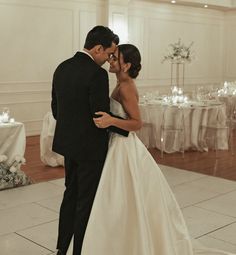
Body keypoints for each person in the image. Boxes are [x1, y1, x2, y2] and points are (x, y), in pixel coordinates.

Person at [81, 44, 235, 255]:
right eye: (111, 57)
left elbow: (137, 124)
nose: (110, 60)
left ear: (126, 65)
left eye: (115, 58)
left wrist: (110, 121)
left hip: (124, 147)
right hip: (117, 144)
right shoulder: (121, 83)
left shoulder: (126, 87)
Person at [51, 26, 128, 255]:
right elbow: (100, 116)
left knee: (70, 196)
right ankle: (80, 251)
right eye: (108, 54)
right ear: (97, 48)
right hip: (90, 149)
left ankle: (62, 248)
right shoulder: (97, 74)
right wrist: (127, 128)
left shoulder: (62, 67)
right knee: (86, 201)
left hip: (68, 145)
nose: (108, 60)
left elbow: (56, 109)